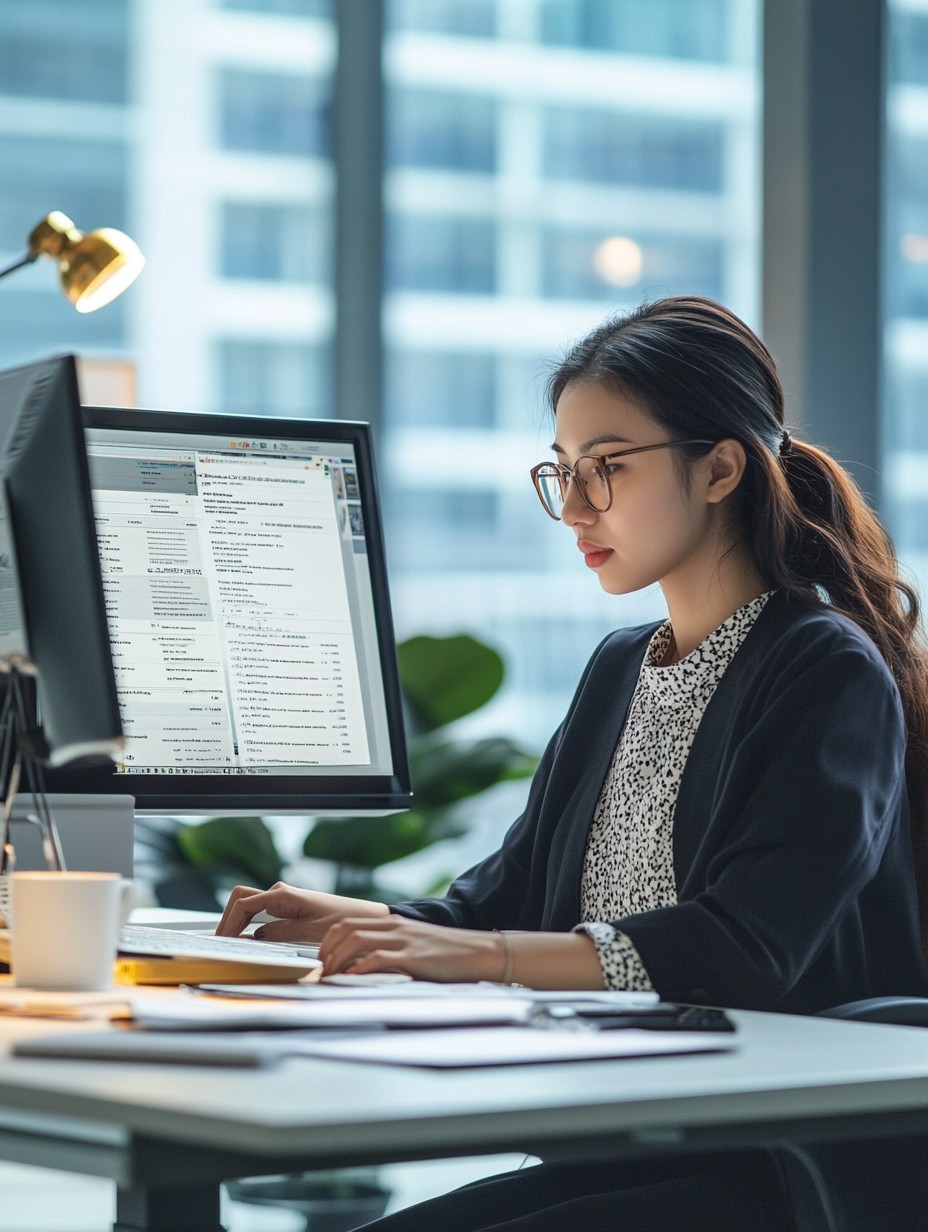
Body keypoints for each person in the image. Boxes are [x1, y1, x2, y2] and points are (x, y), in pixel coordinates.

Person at [217, 296, 928, 1230]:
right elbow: (504, 901)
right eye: (562, 473)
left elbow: (747, 946)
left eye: (607, 469)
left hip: (776, 1168)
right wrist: (361, 921)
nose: (576, 507)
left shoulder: (823, 667)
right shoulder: (618, 667)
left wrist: (478, 953)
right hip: (631, 1135)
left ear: (719, 468)